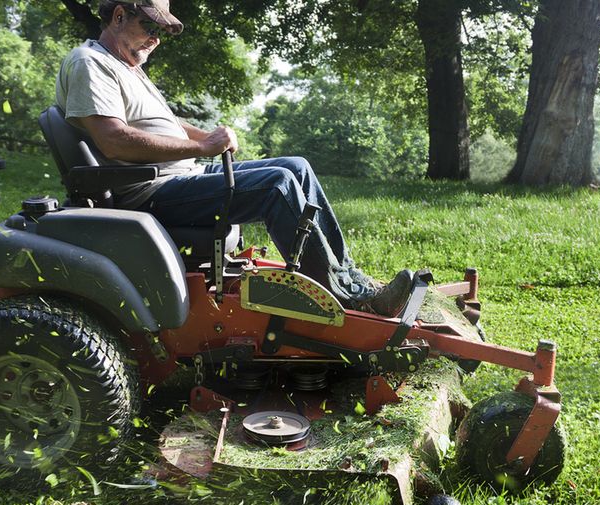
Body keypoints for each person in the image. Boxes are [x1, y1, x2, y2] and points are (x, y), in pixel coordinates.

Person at [55, 0, 413, 316]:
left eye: (163, 31)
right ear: (119, 16)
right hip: (150, 191)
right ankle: (348, 299)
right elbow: (114, 140)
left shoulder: (126, 66)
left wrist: (207, 137)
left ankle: (348, 275)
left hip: (180, 177)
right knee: (277, 184)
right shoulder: (90, 63)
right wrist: (201, 148)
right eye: (150, 27)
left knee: (296, 166)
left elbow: (164, 124)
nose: (156, 39)